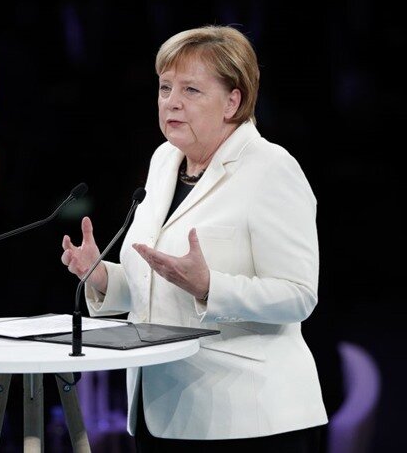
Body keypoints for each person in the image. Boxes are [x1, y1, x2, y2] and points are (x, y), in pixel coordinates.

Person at [60, 25, 327, 452]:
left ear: (233, 101)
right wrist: (103, 278)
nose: (172, 102)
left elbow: (298, 295)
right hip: (161, 411)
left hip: (247, 420)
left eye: (191, 90)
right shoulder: (165, 160)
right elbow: (161, 284)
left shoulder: (271, 168)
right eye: (165, 87)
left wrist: (209, 287)